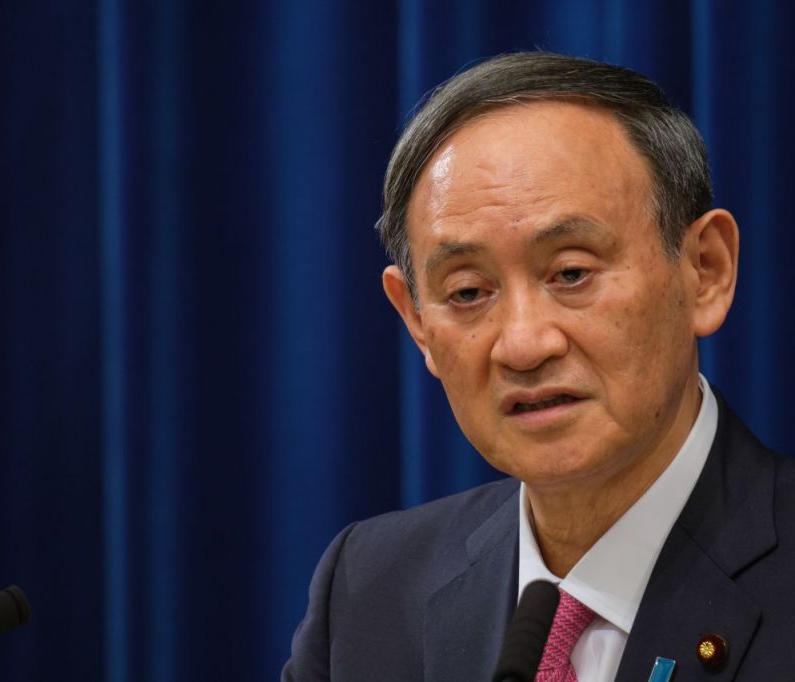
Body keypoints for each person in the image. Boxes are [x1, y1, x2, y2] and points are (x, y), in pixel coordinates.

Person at [282, 52, 795, 681]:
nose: (523, 345)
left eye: (571, 273)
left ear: (704, 271)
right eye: (468, 292)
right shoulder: (369, 591)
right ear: (415, 319)